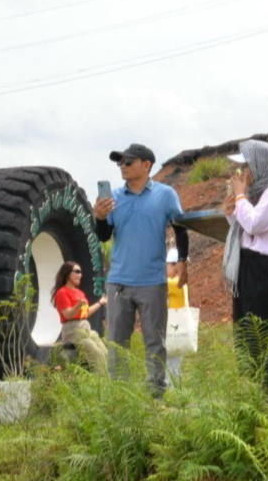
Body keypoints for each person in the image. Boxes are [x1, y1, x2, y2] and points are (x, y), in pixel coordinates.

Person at [95, 143, 188, 397]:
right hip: (118, 283)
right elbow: (103, 236)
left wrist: (183, 260)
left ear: (146, 165)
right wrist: (100, 218)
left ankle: (155, 396)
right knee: (117, 344)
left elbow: (180, 228)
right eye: (120, 163)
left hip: (152, 282)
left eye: (128, 162)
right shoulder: (112, 197)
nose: (122, 167)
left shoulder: (166, 194)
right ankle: (120, 397)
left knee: (155, 343)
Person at [223, 140, 268, 383]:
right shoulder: (255, 194)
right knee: (246, 332)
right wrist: (231, 211)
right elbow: (244, 231)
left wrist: (241, 197)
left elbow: (254, 224)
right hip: (249, 267)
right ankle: (252, 390)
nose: (241, 174)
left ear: (260, 166)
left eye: (245, 167)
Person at [52, 261, 109, 374]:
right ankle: (100, 379)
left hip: (84, 327)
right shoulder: (62, 293)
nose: (80, 275)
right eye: (77, 271)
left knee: (103, 349)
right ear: (67, 273)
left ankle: (108, 377)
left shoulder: (79, 292)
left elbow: (85, 313)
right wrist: (78, 305)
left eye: (81, 272)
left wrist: (100, 303)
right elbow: (68, 314)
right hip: (72, 330)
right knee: (93, 350)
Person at [165, 248, 189, 383]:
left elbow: (158, 283)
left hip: (172, 329)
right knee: (174, 364)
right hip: (177, 329)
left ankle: (171, 391)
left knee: (170, 365)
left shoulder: (175, 283)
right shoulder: (181, 283)